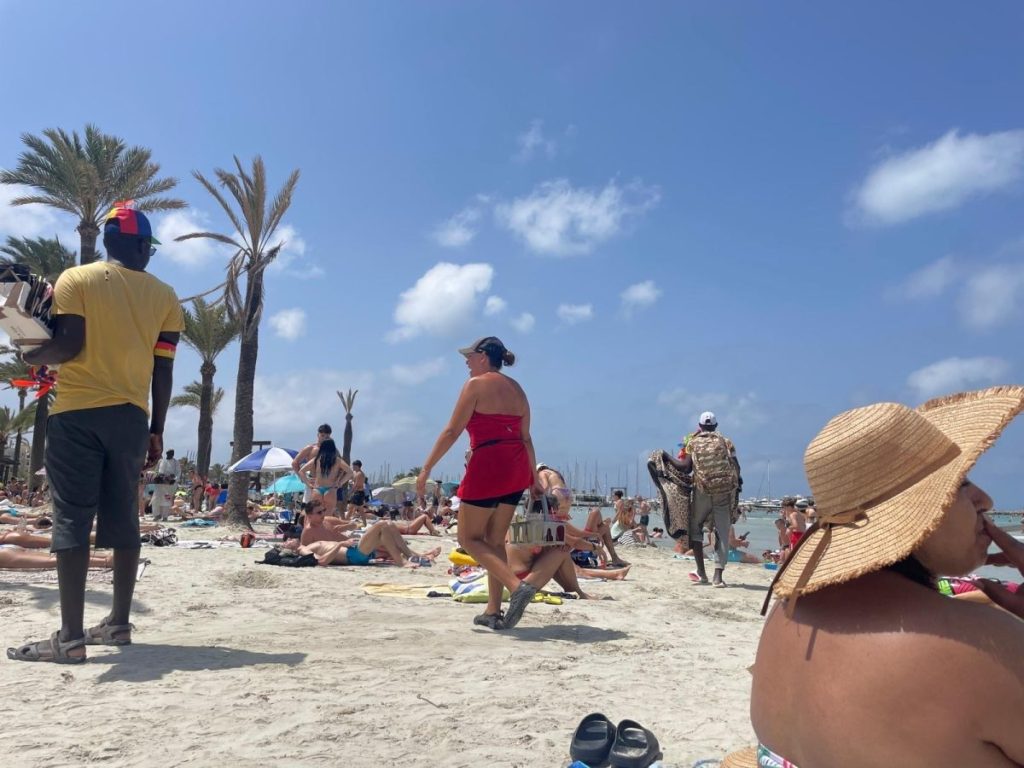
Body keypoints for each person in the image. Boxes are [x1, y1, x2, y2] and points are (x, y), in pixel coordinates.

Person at [750, 387, 1024, 767]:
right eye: (961, 484)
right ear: (919, 512)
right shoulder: (980, 642)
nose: (986, 500)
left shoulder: (788, 616)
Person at [6, 204, 182, 664]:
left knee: (72, 520)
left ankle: (69, 638)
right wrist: (156, 429)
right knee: (124, 518)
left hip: (78, 414)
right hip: (129, 418)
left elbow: (68, 345)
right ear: (141, 245)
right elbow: (163, 371)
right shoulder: (165, 296)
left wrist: (31, 355)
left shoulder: (76, 279)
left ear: (107, 242)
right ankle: (119, 624)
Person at [417, 336, 541, 631]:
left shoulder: (476, 385)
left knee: (468, 539)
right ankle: (493, 610)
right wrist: (533, 477)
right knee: (495, 541)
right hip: (516, 466)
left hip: (488, 465)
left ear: (484, 357)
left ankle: (517, 586)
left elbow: (451, 431)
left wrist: (426, 469)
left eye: (470, 356)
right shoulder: (519, 390)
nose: (466, 361)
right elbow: (526, 437)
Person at [680, 411, 740, 587]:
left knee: (695, 527)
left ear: (700, 426)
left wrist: (664, 458)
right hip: (723, 491)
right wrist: (737, 489)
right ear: (715, 426)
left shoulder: (693, 442)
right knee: (722, 531)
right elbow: (736, 466)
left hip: (702, 491)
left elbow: (685, 467)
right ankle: (718, 577)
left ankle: (701, 572)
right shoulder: (726, 442)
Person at [285, 520, 440, 568]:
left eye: (290, 538)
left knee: (388, 528)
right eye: (288, 541)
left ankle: (417, 556)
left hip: (354, 551)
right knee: (382, 525)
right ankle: (403, 561)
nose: (291, 539)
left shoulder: (307, 546)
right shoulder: (303, 550)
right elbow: (321, 561)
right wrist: (341, 545)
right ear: (288, 548)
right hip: (353, 555)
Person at [299, 438, 352, 518]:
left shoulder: (316, 459)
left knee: (316, 516)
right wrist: (340, 483)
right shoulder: (337, 460)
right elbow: (350, 472)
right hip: (330, 489)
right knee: (327, 517)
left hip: (317, 489)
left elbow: (301, 471)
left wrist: (308, 483)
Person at [292, 424, 331, 505]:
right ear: (318, 435)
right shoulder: (311, 448)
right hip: (312, 481)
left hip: (327, 483)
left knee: (325, 509)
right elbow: (295, 463)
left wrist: (337, 481)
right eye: (322, 435)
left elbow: (341, 467)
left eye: (327, 437)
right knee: (308, 508)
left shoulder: (332, 451)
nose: (324, 438)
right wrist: (304, 479)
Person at [151, 449, 179, 522]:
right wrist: (156, 476)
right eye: (169, 453)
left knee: (166, 500)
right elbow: (156, 471)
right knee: (155, 500)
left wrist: (173, 479)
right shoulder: (161, 461)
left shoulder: (176, 462)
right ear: (166, 454)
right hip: (159, 485)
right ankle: (157, 515)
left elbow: (178, 473)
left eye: (171, 454)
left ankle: (165, 517)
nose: (170, 455)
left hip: (168, 486)